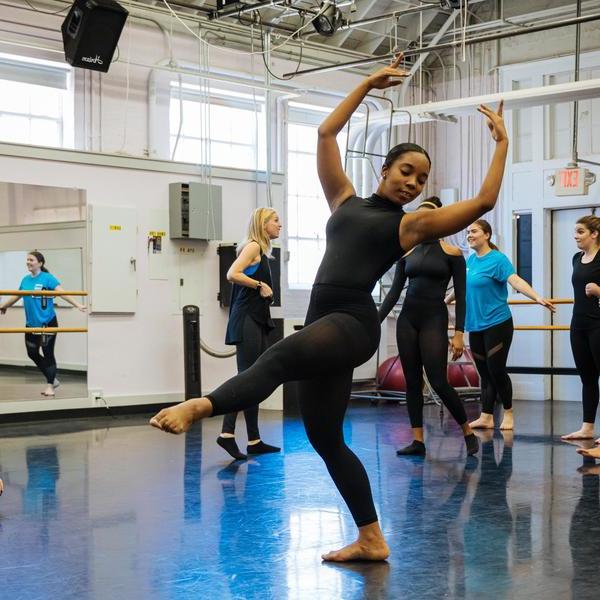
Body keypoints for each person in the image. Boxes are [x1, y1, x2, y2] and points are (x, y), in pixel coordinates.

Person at [150, 54, 509, 562]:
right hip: (326, 322)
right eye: (406, 171)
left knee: (273, 361)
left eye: (421, 179)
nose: (412, 183)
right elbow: (324, 135)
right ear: (384, 169)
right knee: (325, 438)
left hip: (353, 322)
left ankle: (201, 407)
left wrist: (501, 146)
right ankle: (371, 537)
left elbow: (484, 203)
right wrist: (365, 84)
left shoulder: (406, 226)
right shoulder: (343, 200)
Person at [378, 196, 478, 457]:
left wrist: (459, 334)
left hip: (434, 319)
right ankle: (418, 441)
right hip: (408, 320)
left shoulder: (453, 254)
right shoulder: (407, 253)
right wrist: (374, 320)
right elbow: (393, 294)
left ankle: (467, 431)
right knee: (412, 382)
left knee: (438, 381)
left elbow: (462, 295)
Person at [461, 220, 554, 431]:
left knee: (496, 370)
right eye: (468, 231)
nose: (469, 234)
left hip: (497, 323)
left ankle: (509, 413)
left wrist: (536, 297)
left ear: (487, 235)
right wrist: (444, 301)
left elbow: (516, 281)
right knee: (484, 373)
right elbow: (463, 287)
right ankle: (486, 416)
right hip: (475, 324)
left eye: (474, 231)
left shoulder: (498, 260)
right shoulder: (471, 260)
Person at [217, 207, 282, 460]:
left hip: (257, 319)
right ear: (263, 224)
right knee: (246, 378)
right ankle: (226, 434)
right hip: (246, 321)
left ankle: (254, 440)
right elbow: (232, 273)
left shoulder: (262, 251)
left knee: (253, 378)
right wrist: (260, 284)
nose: (280, 225)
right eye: (276, 221)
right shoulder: (253, 247)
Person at [0, 251, 86, 397]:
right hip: (31, 324)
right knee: (32, 353)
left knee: (48, 354)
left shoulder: (47, 278)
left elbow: (62, 293)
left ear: (40, 263)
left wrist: (78, 304)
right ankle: (51, 377)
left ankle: (50, 386)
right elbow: (17, 295)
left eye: (31, 260)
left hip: (47, 323)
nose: (28, 262)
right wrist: (4, 306)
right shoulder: (25, 280)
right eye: (27, 260)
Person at [561, 216, 600, 451]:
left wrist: (599, 290)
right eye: (575, 232)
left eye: (580, 232)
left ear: (594, 234)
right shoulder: (576, 258)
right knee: (587, 377)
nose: (575, 236)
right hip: (578, 325)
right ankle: (587, 427)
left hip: (598, 324)